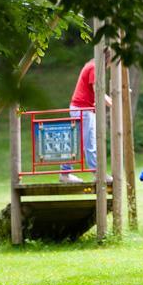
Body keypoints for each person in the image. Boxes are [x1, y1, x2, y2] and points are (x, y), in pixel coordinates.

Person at [59, 48, 113, 183]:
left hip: (82, 108)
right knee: (89, 142)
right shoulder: (95, 68)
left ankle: (65, 173)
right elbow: (98, 91)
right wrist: (114, 104)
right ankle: (97, 174)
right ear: (108, 58)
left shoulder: (93, 65)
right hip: (83, 109)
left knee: (78, 141)